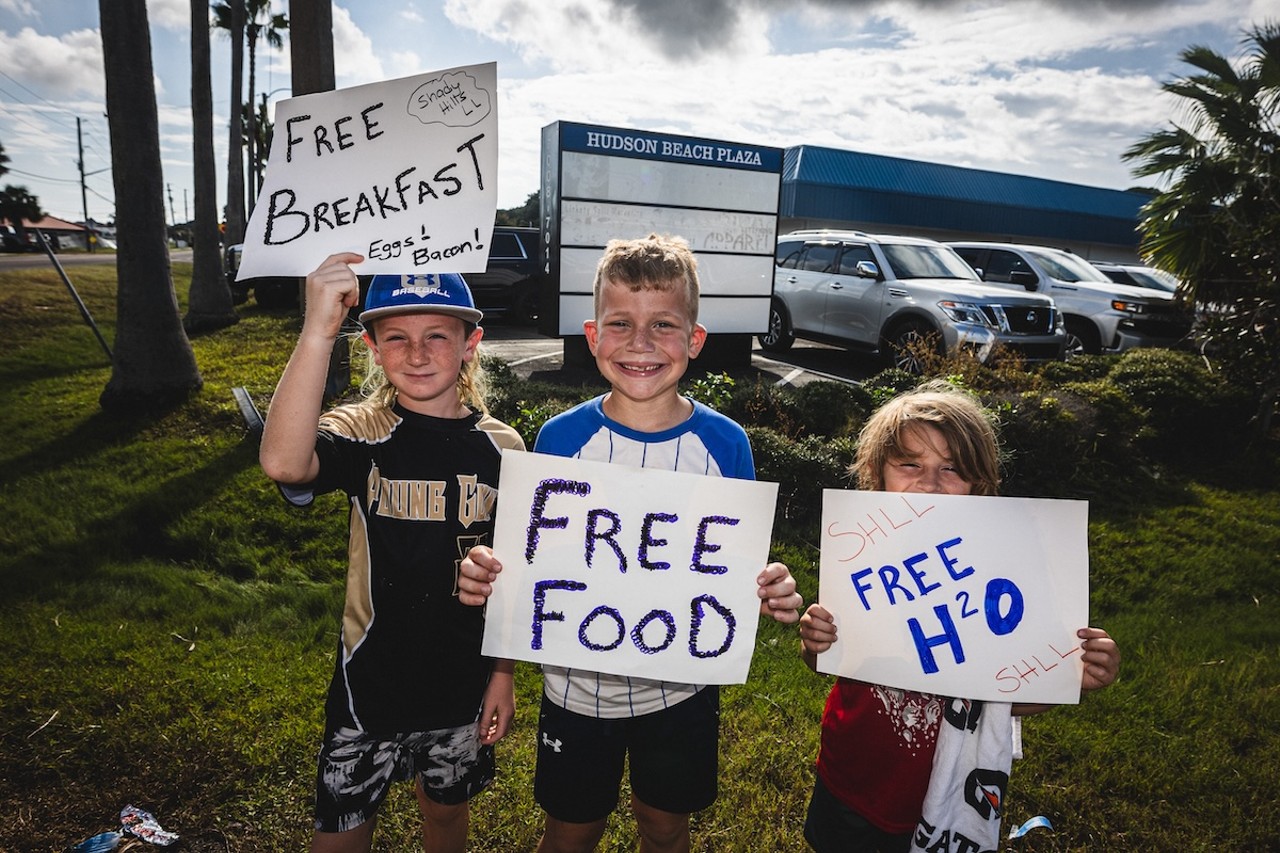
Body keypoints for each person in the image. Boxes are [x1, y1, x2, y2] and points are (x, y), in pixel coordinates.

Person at [457, 233, 804, 853]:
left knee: (665, 826)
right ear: (593, 337)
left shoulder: (725, 446)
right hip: (575, 688)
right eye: (621, 323)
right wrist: (497, 620)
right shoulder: (562, 439)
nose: (641, 344)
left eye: (663, 325)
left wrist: (767, 587)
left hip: (682, 690)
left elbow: (733, 568)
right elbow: (530, 562)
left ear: (695, 341)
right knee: (569, 832)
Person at [259, 253, 525, 853]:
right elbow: (284, 462)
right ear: (373, 348)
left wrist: (502, 675)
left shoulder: (503, 446)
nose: (418, 352)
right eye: (396, 337)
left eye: (438, 335)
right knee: (342, 834)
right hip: (369, 685)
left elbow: (515, 577)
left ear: (471, 343)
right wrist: (318, 329)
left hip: (461, 683)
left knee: (446, 817)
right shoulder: (362, 430)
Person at [797, 382, 1121, 853]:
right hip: (852, 774)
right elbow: (828, 663)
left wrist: (1071, 677)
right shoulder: (861, 555)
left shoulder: (1003, 566)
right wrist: (816, 643)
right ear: (877, 472)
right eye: (910, 464)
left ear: (979, 481)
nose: (929, 484)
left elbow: (1014, 695)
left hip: (946, 791)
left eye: (951, 470)